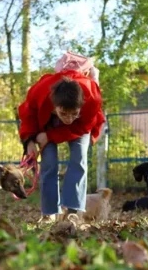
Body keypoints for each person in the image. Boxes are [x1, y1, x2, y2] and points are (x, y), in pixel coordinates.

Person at [18, 52, 106, 220]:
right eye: (64, 113)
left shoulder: (91, 100)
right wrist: (29, 141)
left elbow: (83, 126)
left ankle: (73, 212)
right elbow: (28, 115)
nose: (69, 119)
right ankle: (49, 213)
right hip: (48, 123)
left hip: (80, 126)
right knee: (48, 164)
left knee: (78, 160)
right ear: (54, 105)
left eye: (74, 114)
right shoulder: (40, 91)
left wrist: (49, 136)